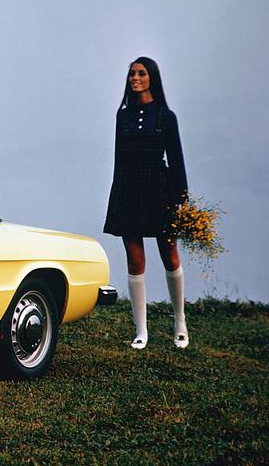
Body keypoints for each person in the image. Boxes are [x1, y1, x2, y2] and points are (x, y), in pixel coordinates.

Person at [104, 56, 189, 349]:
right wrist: (117, 195)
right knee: (134, 260)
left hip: (159, 189)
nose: (135, 78)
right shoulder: (123, 116)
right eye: (132, 74)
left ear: (152, 77)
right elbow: (119, 158)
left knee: (170, 255)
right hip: (128, 189)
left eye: (141, 73)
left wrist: (182, 197)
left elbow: (176, 159)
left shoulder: (166, 116)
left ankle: (180, 322)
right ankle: (141, 330)